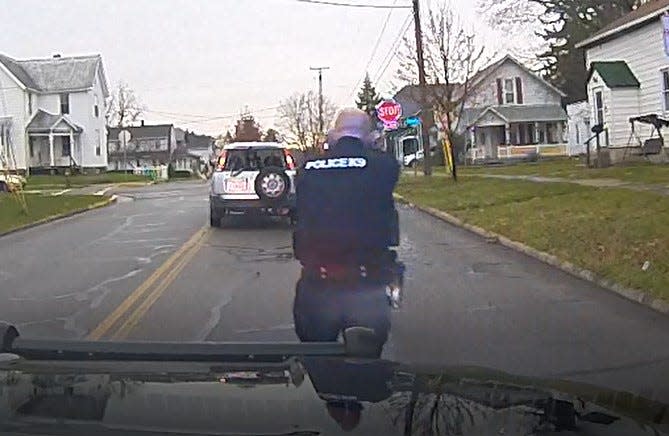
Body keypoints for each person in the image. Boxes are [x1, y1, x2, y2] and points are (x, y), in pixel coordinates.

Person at [292, 108, 402, 347]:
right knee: (367, 365)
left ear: (333, 136)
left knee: (317, 361)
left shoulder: (307, 170)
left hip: (317, 282)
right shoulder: (384, 166)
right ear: (371, 138)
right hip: (367, 281)